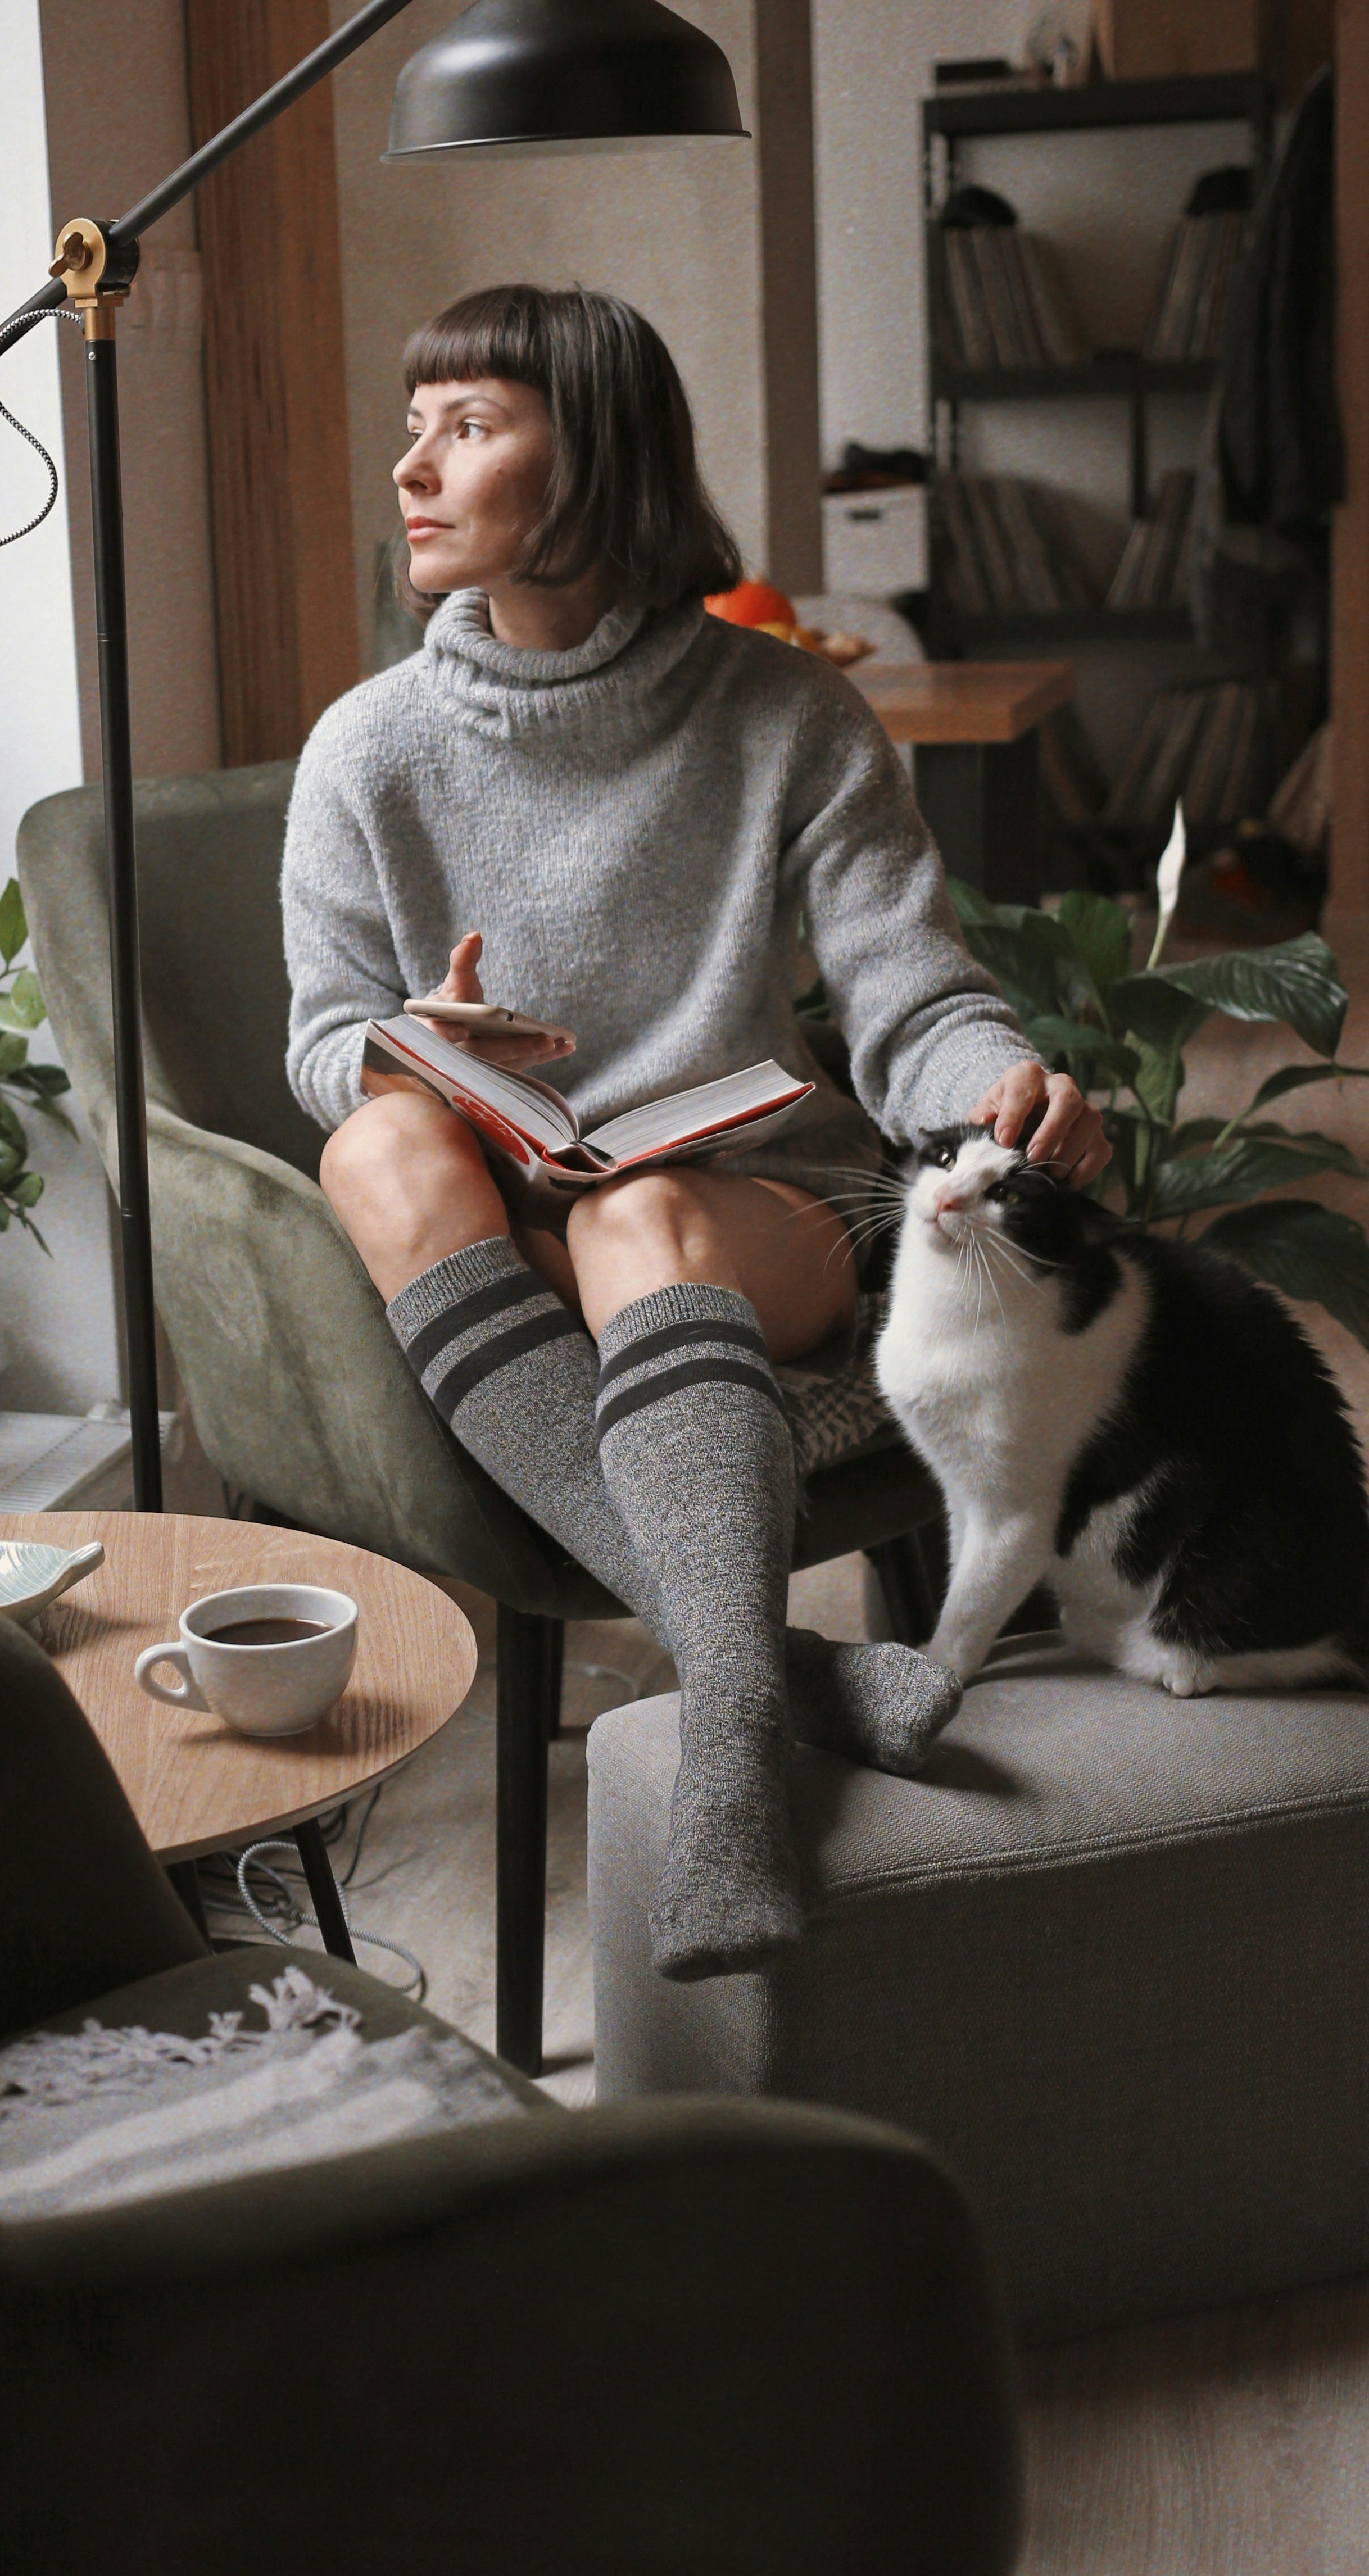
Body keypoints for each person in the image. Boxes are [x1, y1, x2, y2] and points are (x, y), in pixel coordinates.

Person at [282, 284, 1111, 1981]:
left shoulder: (787, 716)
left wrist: (997, 1090)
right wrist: (407, 1050)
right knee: (373, 1146)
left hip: (739, 1212)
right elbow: (319, 1041)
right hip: (493, 1201)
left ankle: (725, 1749)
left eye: (469, 425)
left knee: (633, 1219)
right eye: (414, 424)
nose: (409, 467)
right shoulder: (367, 747)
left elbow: (907, 989)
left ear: (591, 458)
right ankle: (769, 1683)